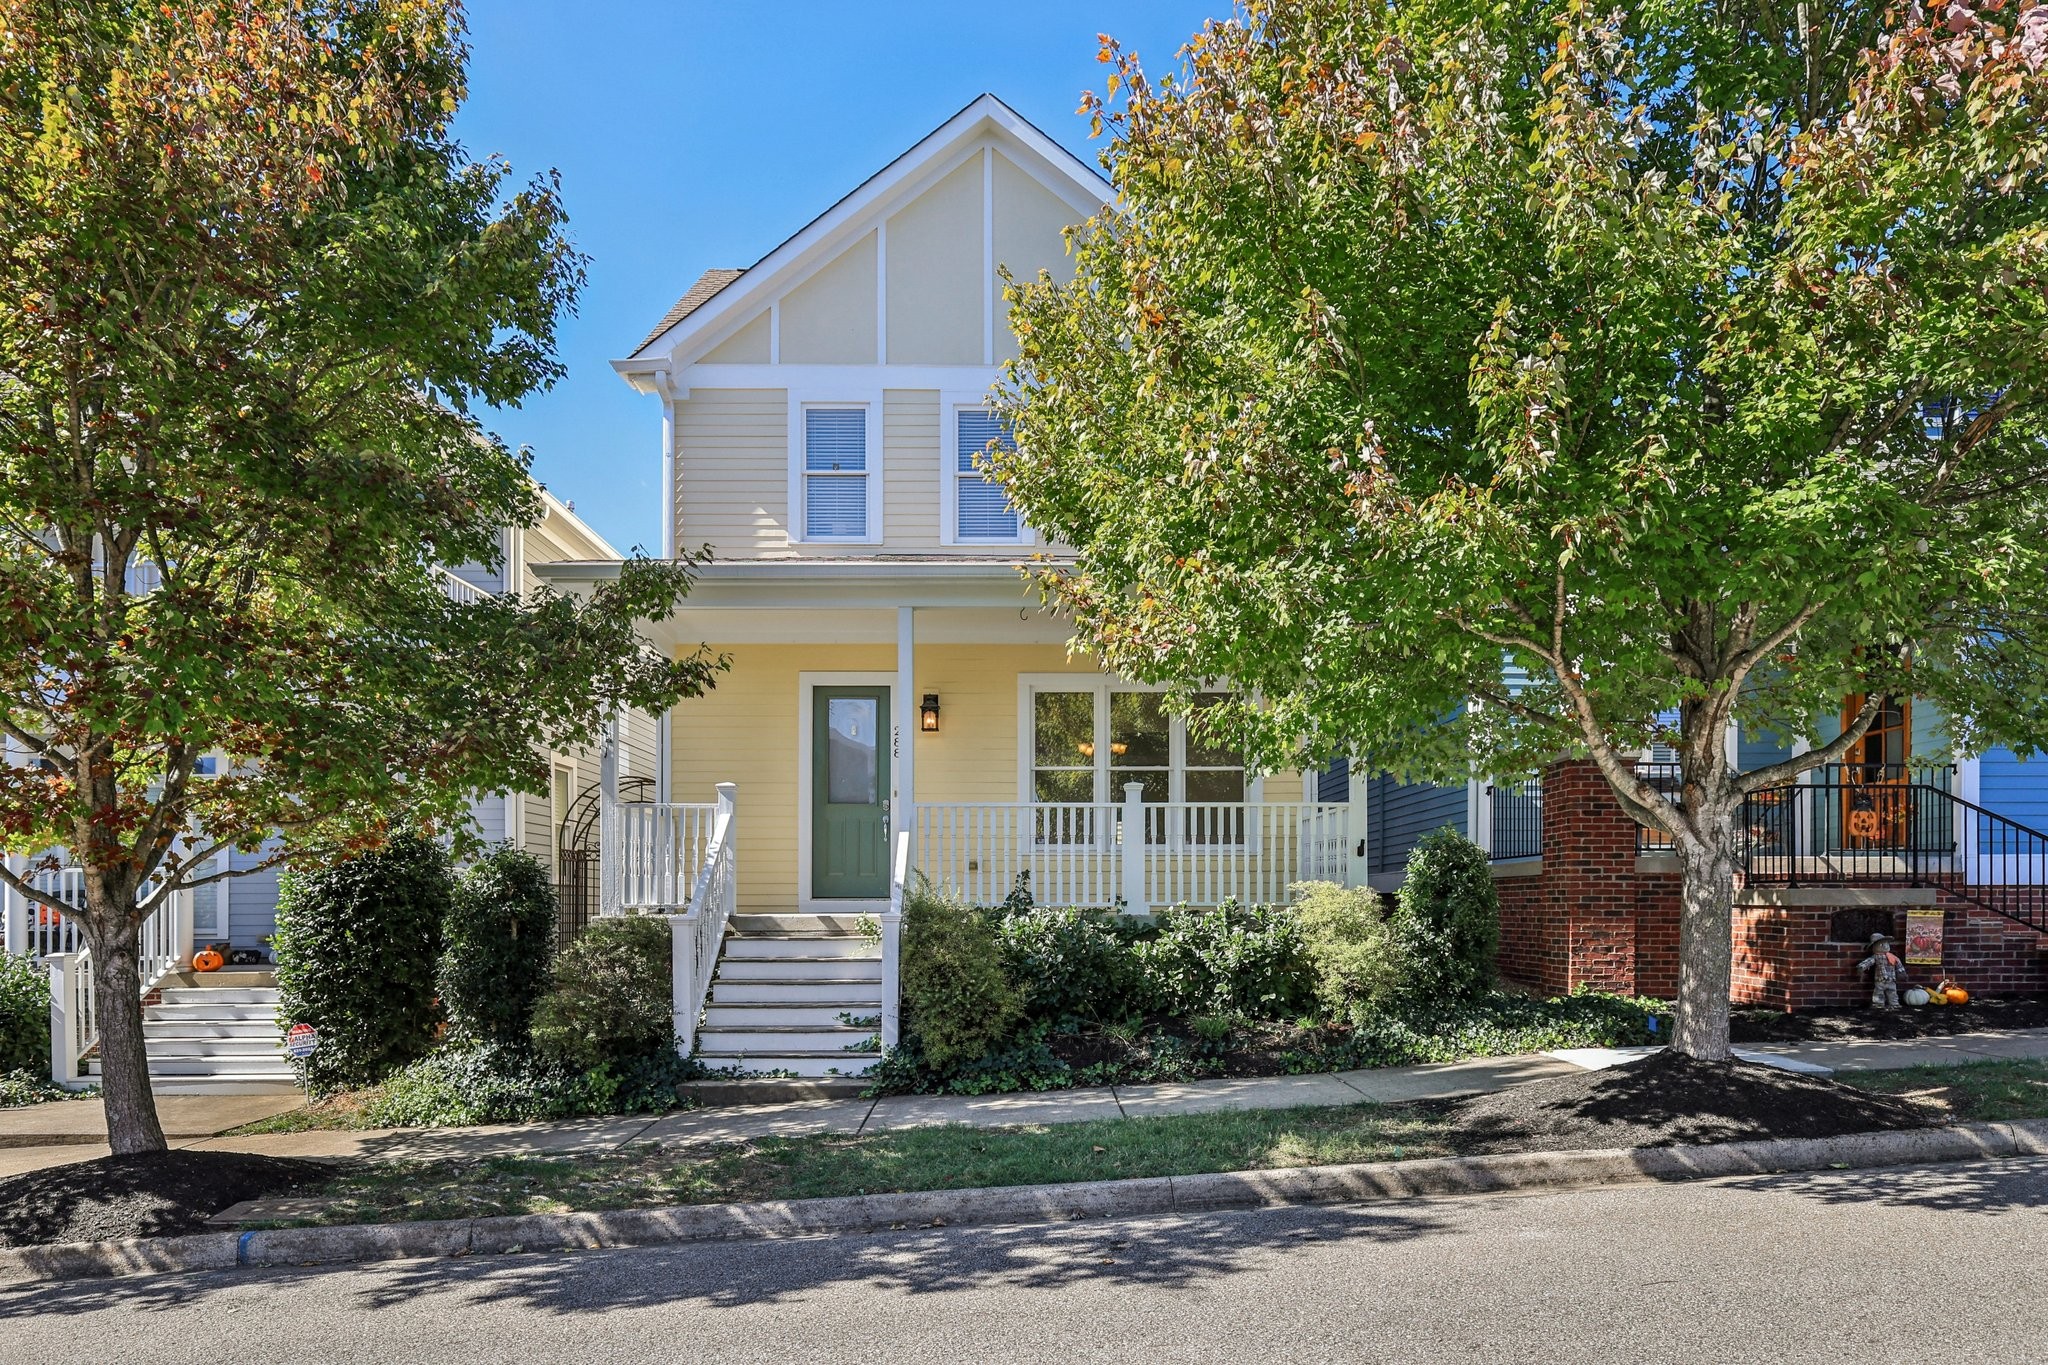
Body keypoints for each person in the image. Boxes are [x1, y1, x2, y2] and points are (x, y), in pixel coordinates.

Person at [1858, 932, 1906, 1010]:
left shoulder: (1893, 957)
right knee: (1878, 993)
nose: (1885, 946)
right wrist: (1861, 967)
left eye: (1886, 944)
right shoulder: (1876, 957)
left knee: (1893, 992)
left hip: (1891, 979)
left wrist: (1901, 972)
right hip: (1880, 979)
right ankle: (1878, 1004)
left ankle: (1894, 1004)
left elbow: (1898, 964)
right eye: (1881, 944)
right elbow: (1868, 962)